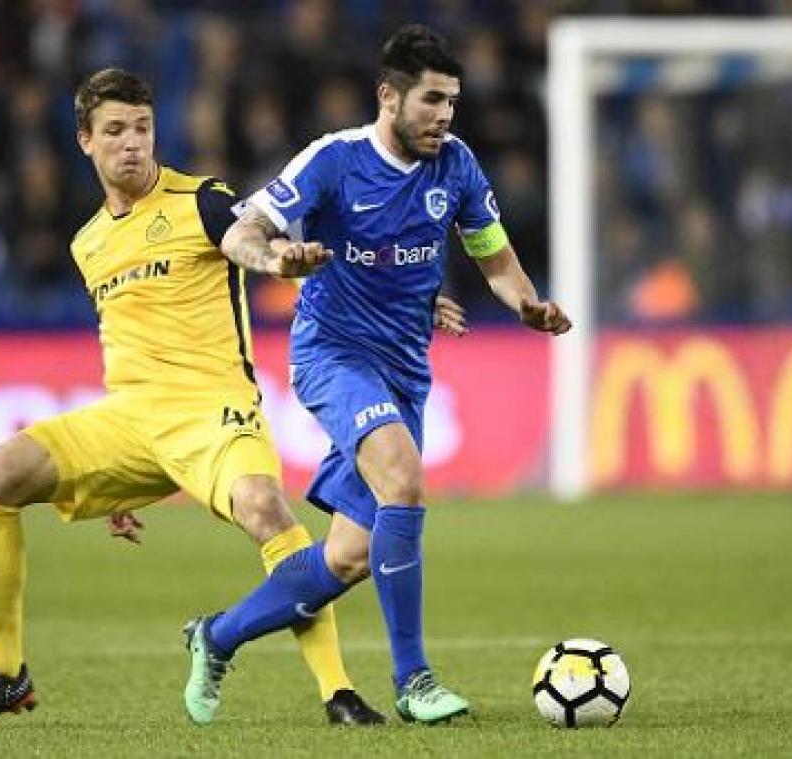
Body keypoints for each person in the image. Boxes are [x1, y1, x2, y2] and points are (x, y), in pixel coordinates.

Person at [0, 68, 385, 728]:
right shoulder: (87, 242)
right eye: (114, 130)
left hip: (212, 409)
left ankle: (337, 689)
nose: (132, 143)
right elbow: (125, 337)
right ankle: (4, 672)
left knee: (265, 507)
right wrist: (117, 485)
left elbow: (243, 238)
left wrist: (276, 260)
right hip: (129, 417)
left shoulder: (201, 200)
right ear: (85, 140)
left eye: (142, 128)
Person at [183, 25, 570, 725]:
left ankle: (215, 635)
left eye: (451, 102)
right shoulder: (334, 161)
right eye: (430, 101)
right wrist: (274, 261)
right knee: (404, 477)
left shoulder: (456, 166)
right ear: (388, 97)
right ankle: (414, 678)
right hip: (332, 356)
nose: (444, 116)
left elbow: (493, 253)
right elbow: (240, 230)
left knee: (349, 557)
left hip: (404, 369)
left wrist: (526, 304)